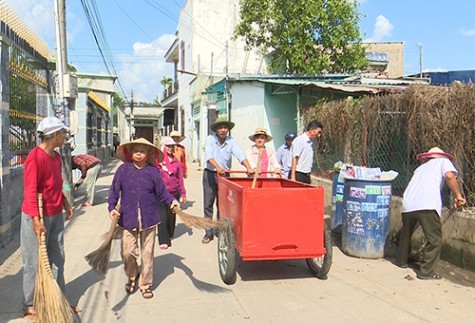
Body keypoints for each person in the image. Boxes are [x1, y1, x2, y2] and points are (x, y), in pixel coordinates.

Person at [21, 117, 78, 322]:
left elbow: (55, 184)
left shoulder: (55, 156)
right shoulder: (35, 158)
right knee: (32, 261)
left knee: (57, 258)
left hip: (55, 214)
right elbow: (30, 191)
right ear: (55, 135)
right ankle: (29, 304)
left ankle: (57, 299)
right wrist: (36, 220)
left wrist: (65, 203)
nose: (65, 137)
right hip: (36, 215)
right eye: (64, 134)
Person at [108, 137, 180, 299]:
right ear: (130, 153)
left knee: (147, 254)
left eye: (142, 151)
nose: (139, 154)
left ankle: (145, 284)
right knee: (127, 253)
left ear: (148, 154)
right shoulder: (123, 170)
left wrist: (172, 201)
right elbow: (114, 191)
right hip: (128, 218)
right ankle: (132, 276)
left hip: (149, 218)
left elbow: (161, 193)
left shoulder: (153, 171)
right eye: (135, 151)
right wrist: (112, 208)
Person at [396, 147, 465, 280]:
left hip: (408, 203)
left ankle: (401, 260)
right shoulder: (443, 161)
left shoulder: (420, 168)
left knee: (406, 233)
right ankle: (426, 272)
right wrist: (458, 195)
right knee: (434, 239)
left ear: (428, 157)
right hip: (427, 204)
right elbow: (450, 176)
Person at [202, 117, 253, 244]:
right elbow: (209, 156)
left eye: (225, 128)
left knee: (222, 204)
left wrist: (248, 167)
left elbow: (239, 154)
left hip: (224, 175)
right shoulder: (210, 139)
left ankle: (220, 230)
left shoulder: (231, 141)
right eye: (221, 127)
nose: (223, 130)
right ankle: (208, 233)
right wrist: (217, 167)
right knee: (208, 204)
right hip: (210, 173)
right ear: (216, 129)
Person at [156, 136, 187, 250]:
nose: (170, 148)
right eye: (168, 146)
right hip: (161, 193)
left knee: (171, 216)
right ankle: (163, 240)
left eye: (172, 146)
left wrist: (183, 193)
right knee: (162, 216)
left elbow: (180, 178)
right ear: (163, 147)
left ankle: (169, 234)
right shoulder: (157, 161)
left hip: (174, 193)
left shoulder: (176, 162)